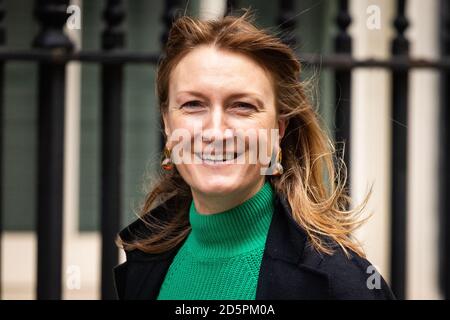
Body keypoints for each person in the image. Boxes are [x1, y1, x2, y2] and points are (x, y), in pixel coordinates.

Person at [113, 9, 395, 300]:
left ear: (278, 130)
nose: (216, 132)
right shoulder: (142, 261)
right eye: (193, 104)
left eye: (243, 106)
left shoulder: (343, 284)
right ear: (168, 124)